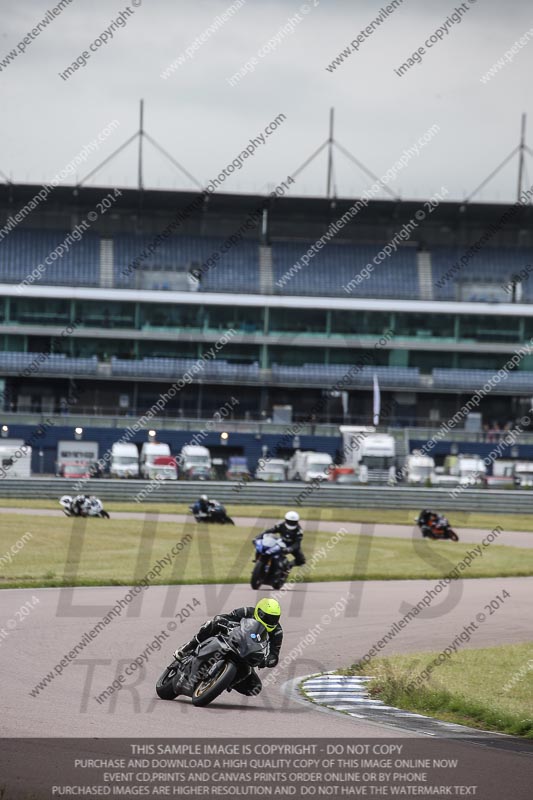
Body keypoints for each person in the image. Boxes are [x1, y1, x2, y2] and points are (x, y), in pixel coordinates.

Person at [173, 598, 283, 696]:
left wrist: (268, 661)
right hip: (232, 640)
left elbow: (274, 653)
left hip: (247, 654)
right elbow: (228, 617)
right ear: (259, 611)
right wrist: (224, 622)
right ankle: (189, 646)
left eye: (274, 619)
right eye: (267, 617)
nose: (270, 621)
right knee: (214, 623)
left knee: (255, 687)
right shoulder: (247, 611)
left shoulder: (277, 632)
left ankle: (224, 681)